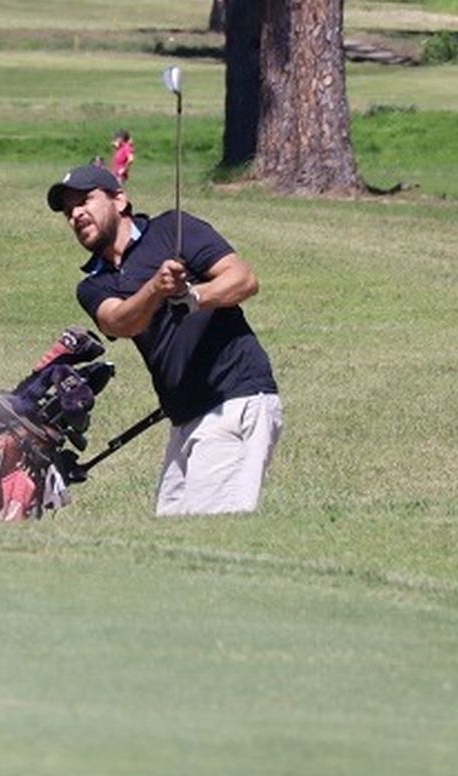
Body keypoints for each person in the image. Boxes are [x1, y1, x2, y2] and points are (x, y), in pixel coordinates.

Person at [46, 163, 282, 516]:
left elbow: (243, 279)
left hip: (232, 399)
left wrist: (194, 296)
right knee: (170, 528)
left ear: (120, 200)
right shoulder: (94, 283)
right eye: (68, 210)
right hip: (186, 418)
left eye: (85, 200)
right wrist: (156, 288)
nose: (76, 214)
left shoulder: (172, 229)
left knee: (209, 534)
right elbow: (120, 321)